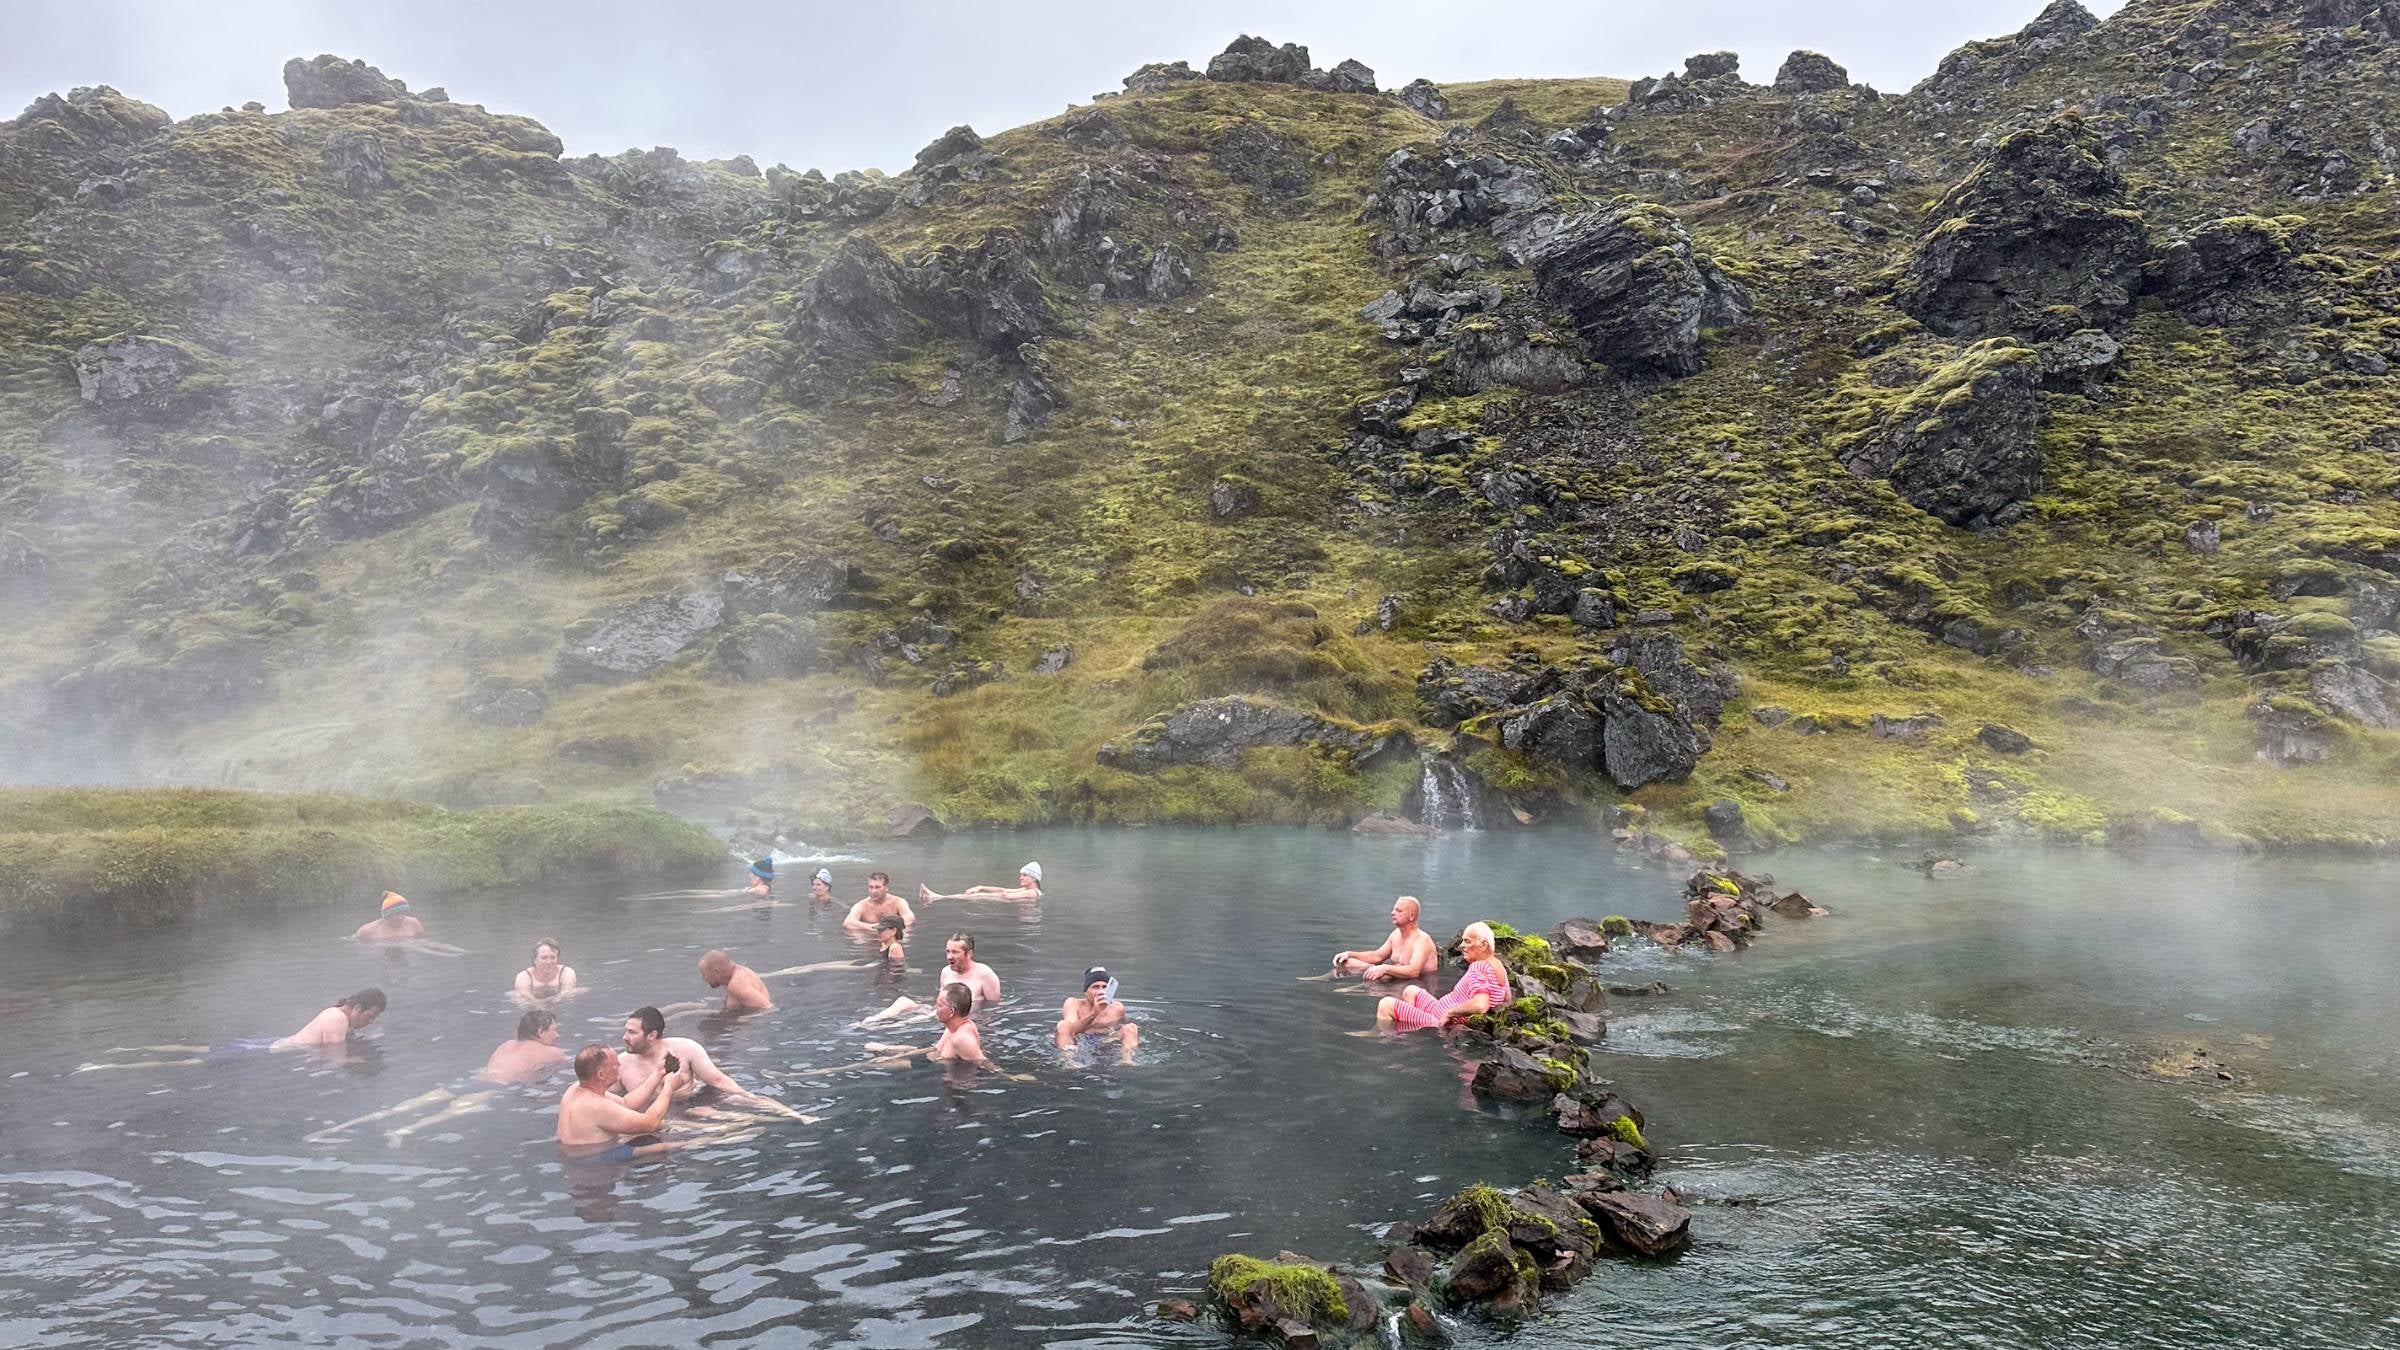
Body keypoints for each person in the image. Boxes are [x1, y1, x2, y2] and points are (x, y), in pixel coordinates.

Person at [556, 1042, 685, 1156]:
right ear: (601, 1075)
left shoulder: (576, 1089)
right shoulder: (595, 1105)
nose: (620, 1064)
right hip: (595, 1162)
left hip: (579, 1155)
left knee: (665, 1128)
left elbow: (626, 1103)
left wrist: (659, 1072)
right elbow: (650, 1123)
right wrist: (668, 1088)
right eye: (615, 1064)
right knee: (680, 1145)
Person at [1378, 922, 1510, 1030]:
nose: (1461, 946)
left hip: (1439, 1021)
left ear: (1484, 945)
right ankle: (1409, 1032)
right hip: (1438, 1011)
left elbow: (1481, 1005)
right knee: (1410, 990)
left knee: (1385, 1005)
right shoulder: (1499, 967)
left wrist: (1450, 1013)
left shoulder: (1479, 966)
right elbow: (1507, 1000)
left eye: (1467, 941)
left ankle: (1381, 1034)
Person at [857, 932, 999, 1026]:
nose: (949, 956)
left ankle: (893, 1026)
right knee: (903, 1001)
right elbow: (941, 1000)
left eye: (955, 952)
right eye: (948, 952)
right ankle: (871, 1021)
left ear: (969, 954)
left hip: (962, 1017)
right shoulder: (946, 972)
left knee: (925, 1017)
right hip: (940, 1011)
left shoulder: (985, 974)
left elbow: (992, 1008)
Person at [615, 1006, 748, 1100]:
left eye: (632, 1032)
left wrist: (751, 1099)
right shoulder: (620, 1064)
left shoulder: (685, 1048)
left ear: (652, 1035)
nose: (624, 1037)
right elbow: (611, 1101)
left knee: (732, 1101)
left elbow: (718, 1081)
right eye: (626, 1031)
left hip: (692, 1104)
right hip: (657, 1119)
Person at [865, 984, 994, 1068]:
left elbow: (983, 1062)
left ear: (951, 1012)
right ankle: (885, 1048)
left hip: (930, 1067)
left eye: (939, 1005)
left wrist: (1004, 1076)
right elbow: (935, 1048)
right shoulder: (953, 1026)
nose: (935, 1008)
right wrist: (893, 1054)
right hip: (931, 1056)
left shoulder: (962, 1038)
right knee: (872, 1048)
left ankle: (853, 1067)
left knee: (871, 1064)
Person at [1333, 896, 1441, 981]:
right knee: (1346, 961)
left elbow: (1413, 972)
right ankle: (1327, 978)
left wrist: (1385, 968)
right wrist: (1350, 954)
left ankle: (1355, 987)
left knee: (1382, 974)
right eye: (1394, 909)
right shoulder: (1396, 934)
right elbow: (1377, 956)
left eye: (1398, 911)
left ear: (1411, 916)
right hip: (1393, 980)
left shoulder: (1422, 940)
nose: (1392, 913)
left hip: (1416, 986)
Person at [1055, 966, 1138, 1064]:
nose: (1100, 991)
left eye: (1104, 987)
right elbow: (1071, 1030)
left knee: (1131, 1028)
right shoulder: (1073, 1003)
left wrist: (1110, 1039)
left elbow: (1119, 1031)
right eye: (1095, 987)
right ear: (1085, 991)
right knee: (1063, 1026)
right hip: (1080, 1042)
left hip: (1106, 1042)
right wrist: (1095, 1013)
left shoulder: (1117, 1007)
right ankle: (1069, 1062)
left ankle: (1127, 1061)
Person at [274, 988, 387, 1049]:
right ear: (358, 1008)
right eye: (370, 1016)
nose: (371, 1021)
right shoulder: (338, 1018)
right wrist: (356, 1061)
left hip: (282, 1047)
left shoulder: (339, 1017)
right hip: (282, 1054)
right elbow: (334, 1059)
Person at [482, 1009, 566, 1084]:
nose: (557, 1035)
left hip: (482, 1079)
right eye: (554, 1030)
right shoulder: (552, 1052)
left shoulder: (506, 1045)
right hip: (505, 1086)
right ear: (541, 1032)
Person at [921, 861, 1043, 904]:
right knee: (972, 896)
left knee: (972, 897)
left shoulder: (1032, 892)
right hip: (1005, 900)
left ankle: (936, 897)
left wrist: (981, 895)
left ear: (1033, 878)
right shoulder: (1028, 890)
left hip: (1007, 901)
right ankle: (937, 897)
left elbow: (1006, 896)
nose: (1020, 878)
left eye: (1024, 875)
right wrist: (980, 888)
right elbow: (1003, 890)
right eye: (1021, 875)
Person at [699, 949, 773, 1012]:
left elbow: (767, 1007)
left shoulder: (737, 985)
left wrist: (743, 1018)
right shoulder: (729, 977)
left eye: (704, 974)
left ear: (716, 972)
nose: (704, 979)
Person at [843, 872, 917, 930]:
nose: (873, 891)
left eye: (877, 887)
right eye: (871, 887)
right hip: (869, 939)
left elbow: (910, 918)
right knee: (859, 938)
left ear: (886, 887)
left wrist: (887, 926)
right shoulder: (862, 905)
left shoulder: (898, 902)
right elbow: (848, 923)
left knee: (905, 934)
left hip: (892, 938)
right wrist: (875, 927)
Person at [513, 938, 579, 1001]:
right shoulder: (524, 976)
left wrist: (556, 1001)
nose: (549, 962)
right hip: (533, 1006)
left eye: (553, 957)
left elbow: (566, 993)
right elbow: (525, 997)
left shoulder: (566, 972)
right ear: (535, 960)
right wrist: (539, 1005)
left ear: (558, 958)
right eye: (544, 958)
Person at [353, 892, 423, 943]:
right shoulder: (367, 931)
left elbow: (421, 941)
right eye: (397, 914)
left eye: (403, 912)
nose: (401, 917)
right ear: (386, 916)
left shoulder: (414, 924)